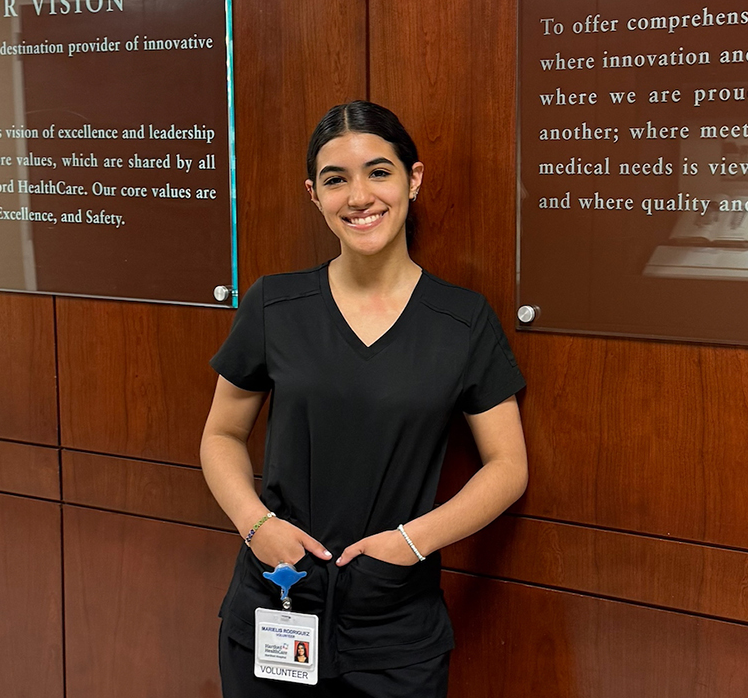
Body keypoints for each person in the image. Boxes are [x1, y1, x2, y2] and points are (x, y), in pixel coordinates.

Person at [201, 100, 528, 698]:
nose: (359, 197)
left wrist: (411, 543)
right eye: (335, 180)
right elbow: (221, 435)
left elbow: (507, 466)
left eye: (379, 172)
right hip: (277, 604)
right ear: (314, 194)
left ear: (413, 179)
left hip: (395, 626)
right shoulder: (274, 306)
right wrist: (256, 526)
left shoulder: (461, 321)